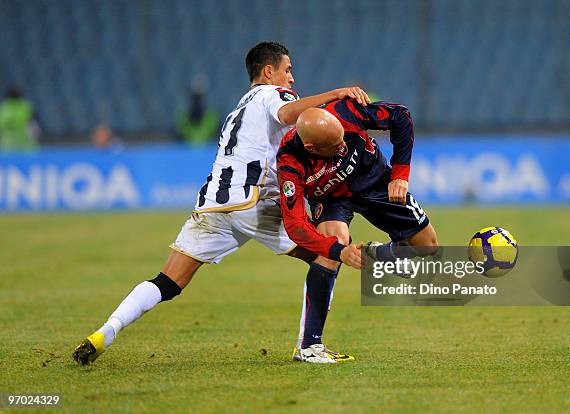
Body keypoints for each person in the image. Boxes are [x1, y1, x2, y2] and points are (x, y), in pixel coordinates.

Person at [73, 41, 370, 365]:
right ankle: (310, 346)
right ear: (269, 72)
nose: (292, 79)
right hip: (253, 202)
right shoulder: (275, 95)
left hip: (214, 203)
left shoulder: (239, 109)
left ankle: (107, 330)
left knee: (168, 281)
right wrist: (335, 94)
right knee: (330, 251)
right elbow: (287, 114)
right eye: (288, 70)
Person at [277, 100, 439, 363]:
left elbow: (400, 116)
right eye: (335, 146)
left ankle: (376, 254)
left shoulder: (345, 112)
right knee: (329, 246)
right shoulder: (290, 160)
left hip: (375, 180)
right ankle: (310, 345)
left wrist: (400, 174)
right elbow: (294, 223)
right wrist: (339, 251)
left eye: (343, 139)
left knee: (427, 246)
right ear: (311, 148)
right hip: (331, 200)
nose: (343, 147)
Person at [0, 86, 40, 151]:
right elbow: (33, 125)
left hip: (7, 145)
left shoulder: (3, 108)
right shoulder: (26, 107)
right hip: (26, 144)